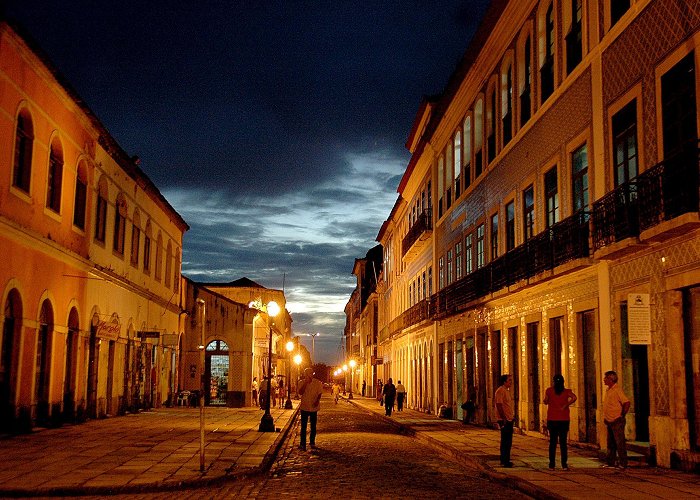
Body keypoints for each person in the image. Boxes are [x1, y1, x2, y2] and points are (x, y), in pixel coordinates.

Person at [544, 374, 577, 470]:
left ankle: (552, 464)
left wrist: (547, 401)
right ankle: (564, 464)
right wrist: (566, 405)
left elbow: (546, 401)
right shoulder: (567, 391)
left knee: (553, 442)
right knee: (563, 443)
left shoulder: (549, 390)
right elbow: (574, 398)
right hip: (564, 419)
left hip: (552, 419)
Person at [603, 370, 631, 469]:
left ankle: (623, 463)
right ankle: (610, 462)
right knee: (610, 443)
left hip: (616, 420)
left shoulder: (617, 390)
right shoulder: (609, 390)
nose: (604, 380)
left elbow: (626, 402)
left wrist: (622, 415)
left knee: (620, 443)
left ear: (611, 379)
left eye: (605, 378)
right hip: (609, 420)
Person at [298, 367, 323, 451]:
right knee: (303, 426)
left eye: (310, 373)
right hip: (304, 406)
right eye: (307, 373)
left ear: (312, 374)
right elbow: (300, 392)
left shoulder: (317, 383)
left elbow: (319, 393)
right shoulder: (301, 382)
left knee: (313, 426)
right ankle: (302, 443)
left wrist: (317, 401)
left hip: (314, 407)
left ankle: (312, 442)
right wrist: (305, 383)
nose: (309, 375)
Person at [494, 374, 515, 468]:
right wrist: (504, 418)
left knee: (508, 441)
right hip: (504, 419)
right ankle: (504, 460)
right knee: (505, 441)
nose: (511, 382)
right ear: (504, 381)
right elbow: (499, 405)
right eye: (509, 380)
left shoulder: (506, 391)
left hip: (509, 418)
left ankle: (506, 459)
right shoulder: (500, 391)